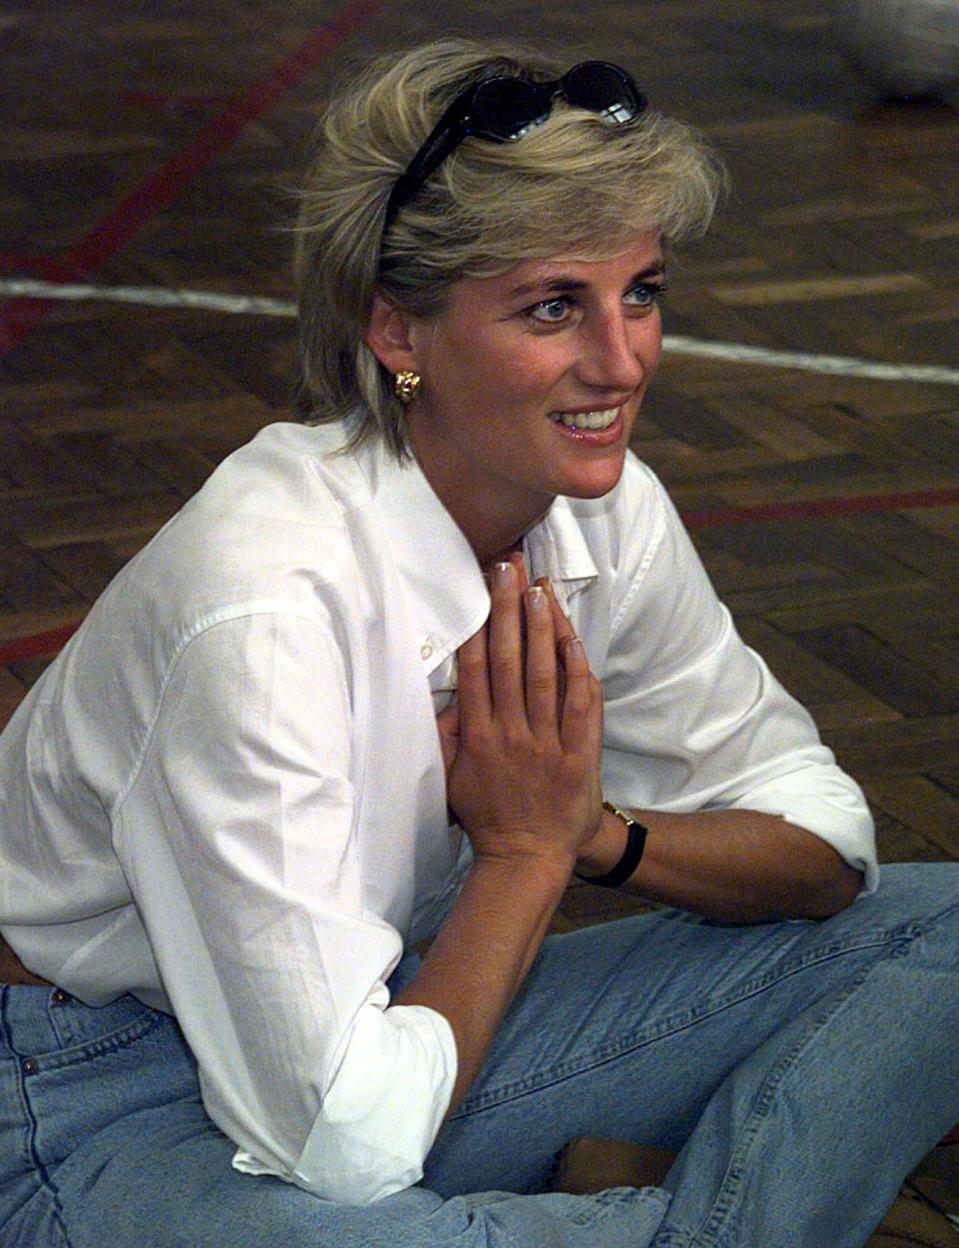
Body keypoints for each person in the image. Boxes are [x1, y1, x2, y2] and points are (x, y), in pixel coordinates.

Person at [0, 37, 956, 1248]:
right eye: (555, 306)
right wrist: (519, 857)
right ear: (396, 333)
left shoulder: (602, 510)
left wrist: (592, 838)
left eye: (641, 292)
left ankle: (646, 1212)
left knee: (939, 934)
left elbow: (828, 848)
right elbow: (342, 1149)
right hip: (78, 1102)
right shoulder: (261, 609)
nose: (622, 362)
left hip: (395, 1030)